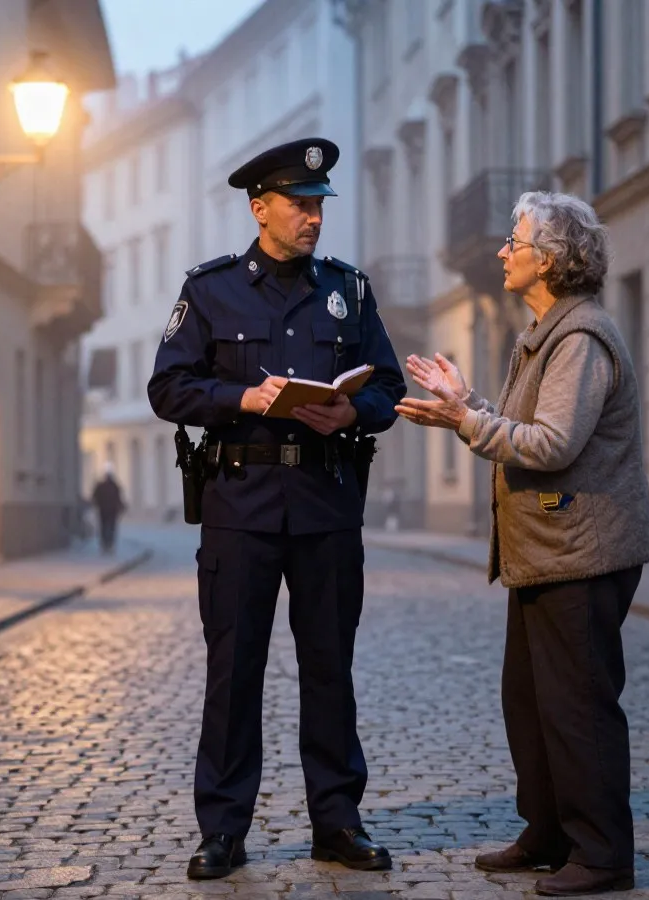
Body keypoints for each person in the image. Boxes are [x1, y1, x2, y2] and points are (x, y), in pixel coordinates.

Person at [148, 138, 407, 880]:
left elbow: (387, 390)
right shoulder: (210, 291)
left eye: (320, 205)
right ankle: (224, 829)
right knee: (234, 672)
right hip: (240, 508)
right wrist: (241, 398)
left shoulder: (348, 292)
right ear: (260, 207)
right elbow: (167, 389)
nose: (314, 219)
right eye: (299, 205)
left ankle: (337, 821)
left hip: (326, 506)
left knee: (331, 668)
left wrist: (351, 413)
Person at [395, 191, 649, 896]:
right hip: (546, 551)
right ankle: (548, 832)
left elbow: (551, 443)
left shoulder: (579, 339)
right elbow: (523, 430)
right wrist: (468, 403)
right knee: (531, 701)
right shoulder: (544, 334)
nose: (505, 250)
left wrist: (464, 421)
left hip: (582, 553)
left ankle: (602, 854)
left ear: (550, 259)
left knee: (578, 705)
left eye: (516, 241)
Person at [91, 463, 126, 554]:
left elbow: (95, 497)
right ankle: (108, 544)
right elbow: (119, 498)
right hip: (111, 510)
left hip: (104, 510)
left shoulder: (102, 486)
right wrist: (121, 506)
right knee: (111, 527)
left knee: (104, 527)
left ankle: (106, 544)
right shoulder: (114, 486)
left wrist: (96, 504)